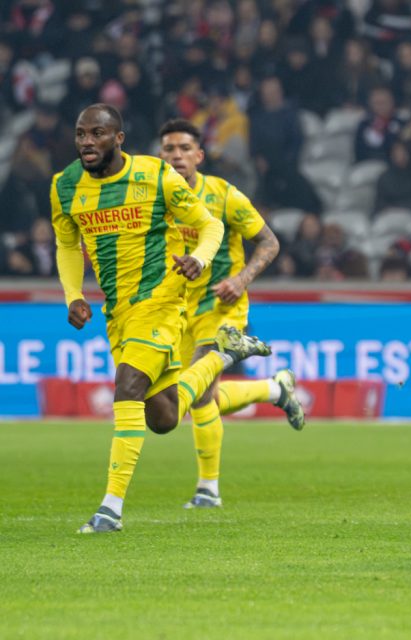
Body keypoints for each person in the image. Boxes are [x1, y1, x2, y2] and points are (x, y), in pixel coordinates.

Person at [52, 104, 272, 534]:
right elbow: (66, 245)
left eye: (97, 134)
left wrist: (201, 260)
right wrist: (74, 295)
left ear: (119, 139)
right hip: (117, 310)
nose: (86, 142)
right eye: (80, 134)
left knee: (128, 385)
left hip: (163, 300)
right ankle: (222, 357)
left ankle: (110, 509)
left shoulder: (154, 176)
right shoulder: (65, 186)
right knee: (164, 418)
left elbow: (209, 227)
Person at [158, 119, 305, 509]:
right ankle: (275, 389)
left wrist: (241, 279)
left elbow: (269, 243)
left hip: (221, 307)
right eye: (169, 149)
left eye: (184, 149)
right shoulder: (153, 200)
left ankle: (209, 489)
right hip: (175, 310)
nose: (176, 156)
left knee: (199, 391)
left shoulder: (224, 196)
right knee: (188, 398)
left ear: (199, 156)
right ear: (160, 156)